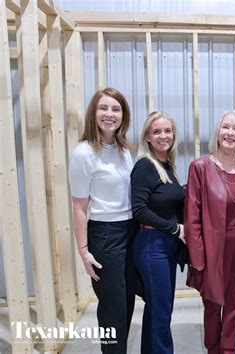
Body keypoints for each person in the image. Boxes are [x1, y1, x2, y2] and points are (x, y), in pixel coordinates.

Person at [69, 87, 136, 353]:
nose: (109, 114)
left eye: (116, 109)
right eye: (103, 108)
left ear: (123, 115)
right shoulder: (83, 153)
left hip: (129, 229)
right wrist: (84, 251)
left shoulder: (124, 149)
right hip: (105, 234)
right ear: (93, 113)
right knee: (112, 307)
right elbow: (78, 206)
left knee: (128, 302)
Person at [185, 110, 235, 354]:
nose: (230, 132)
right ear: (217, 132)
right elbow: (192, 217)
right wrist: (197, 257)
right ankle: (212, 349)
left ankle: (229, 350)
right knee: (213, 304)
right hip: (212, 247)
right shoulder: (200, 167)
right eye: (225, 127)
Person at [131, 111, 187, 354]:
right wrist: (175, 228)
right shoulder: (145, 166)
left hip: (167, 246)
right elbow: (139, 211)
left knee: (157, 309)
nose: (163, 136)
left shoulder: (166, 166)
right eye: (157, 132)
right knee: (162, 312)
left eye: (167, 130)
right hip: (152, 245)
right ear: (147, 137)